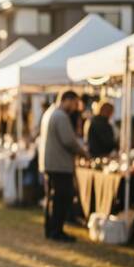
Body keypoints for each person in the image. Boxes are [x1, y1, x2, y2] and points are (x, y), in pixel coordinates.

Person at [38, 90, 88, 242]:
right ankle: (56, 231)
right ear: (67, 100)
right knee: (61, 198)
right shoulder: (60, 116)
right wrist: (83, 152)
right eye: (74, 103)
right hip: (59, 164)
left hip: (51, 163)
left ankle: (51, 229)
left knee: (53, 199)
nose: (75, 107)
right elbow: (68, 141)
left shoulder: (50, 112)